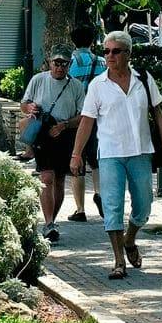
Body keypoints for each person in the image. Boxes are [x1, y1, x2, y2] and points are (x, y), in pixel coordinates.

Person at [69, 30, 162, 281]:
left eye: (115, 51)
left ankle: (130, 239)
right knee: (112, 206)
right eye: (105, 51)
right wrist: (76, 154)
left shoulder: (143, 79)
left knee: (143, 206)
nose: (109, 56)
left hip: (140, 151)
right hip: (110, 154)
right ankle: (118, 261)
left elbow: (157, 113)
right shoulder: (98, 85)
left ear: (128, 53)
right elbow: (86, 122)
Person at [22, 52, 87, 242]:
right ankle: (49, 222)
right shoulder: (38, 80)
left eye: (64, 64)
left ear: (69, 65)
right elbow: (24, 104)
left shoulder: (75, 86)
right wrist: (30, 108)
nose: (59, 67)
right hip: (43, 133)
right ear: (49, 63)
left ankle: (51, 221)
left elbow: (83, 116)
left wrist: (64, 125)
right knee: (46, 177)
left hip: (65, 135)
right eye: (56, 63)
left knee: (59, 180)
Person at [63, 23, 100, 222]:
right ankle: (100, 193)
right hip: (99, 118)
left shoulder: (71, 62)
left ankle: (80, 209)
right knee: (96, 161)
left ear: (73, 41)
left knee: (77, 162)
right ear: (92, 41)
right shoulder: (102, 61)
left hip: (77, 118)